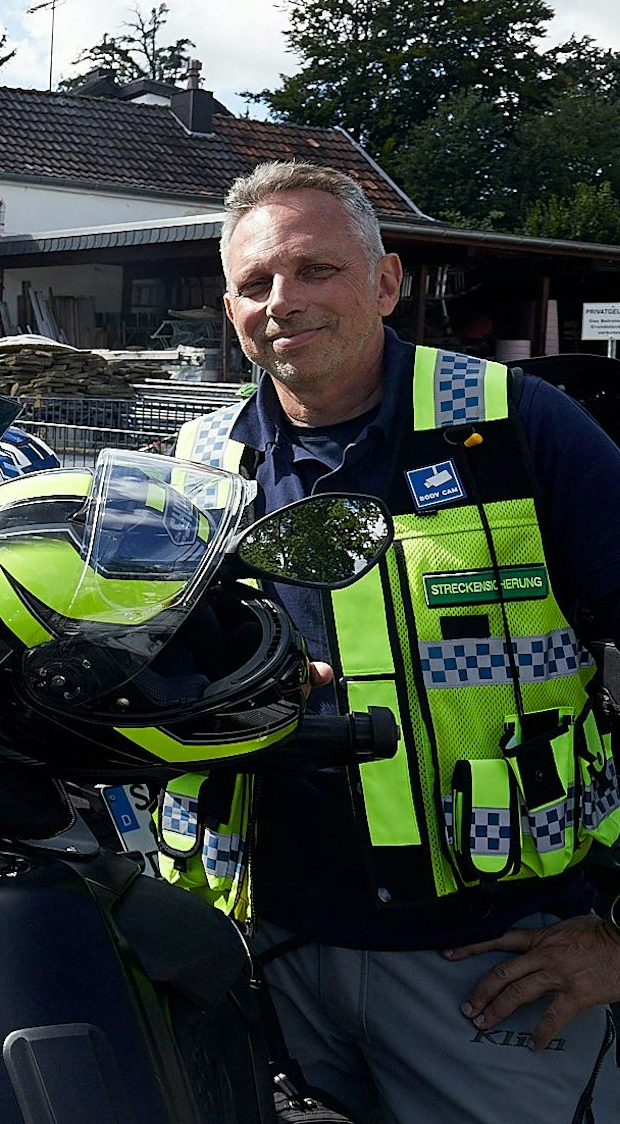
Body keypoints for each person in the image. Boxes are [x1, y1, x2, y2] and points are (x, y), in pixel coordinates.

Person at [167, 160, 620, 1123]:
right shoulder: (202, 464)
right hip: (265, 955)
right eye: (255, 284)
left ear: (384, 282)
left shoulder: (512, 426)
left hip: (492, 963)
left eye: (315, 270)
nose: (282, 302)